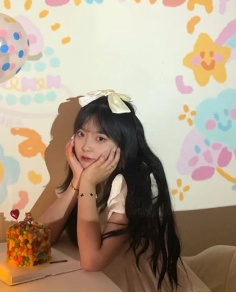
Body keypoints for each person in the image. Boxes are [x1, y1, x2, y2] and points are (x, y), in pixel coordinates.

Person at [38, 89, 198, 292]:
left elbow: (92, 261)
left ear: (123, 144)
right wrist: (77, 182)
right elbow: (39, 238)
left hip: (135, 281)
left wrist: (87, 184)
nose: (85, 146)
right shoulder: (86, 174)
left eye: (100, 138)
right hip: (98, 278)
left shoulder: (129, 182)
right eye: (81, 134)